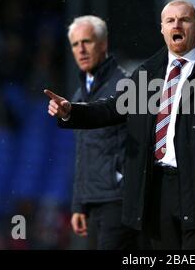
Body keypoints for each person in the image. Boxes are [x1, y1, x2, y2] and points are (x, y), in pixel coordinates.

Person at [45, 0, 195, 249]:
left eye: (184, 19)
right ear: (162, 28)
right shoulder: (147, 73)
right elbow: (113, 108)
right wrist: (71, 111)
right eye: (170, 20)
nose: (176, 24)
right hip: (156, 190)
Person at [64, 15, 137, 249]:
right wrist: (79, 204)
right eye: (75, 44)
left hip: (119, 200)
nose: (81, 50)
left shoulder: (126, 86)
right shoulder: (78, 96)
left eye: (87, 41)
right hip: (93, 201)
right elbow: (82, 152)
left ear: (103, 44)